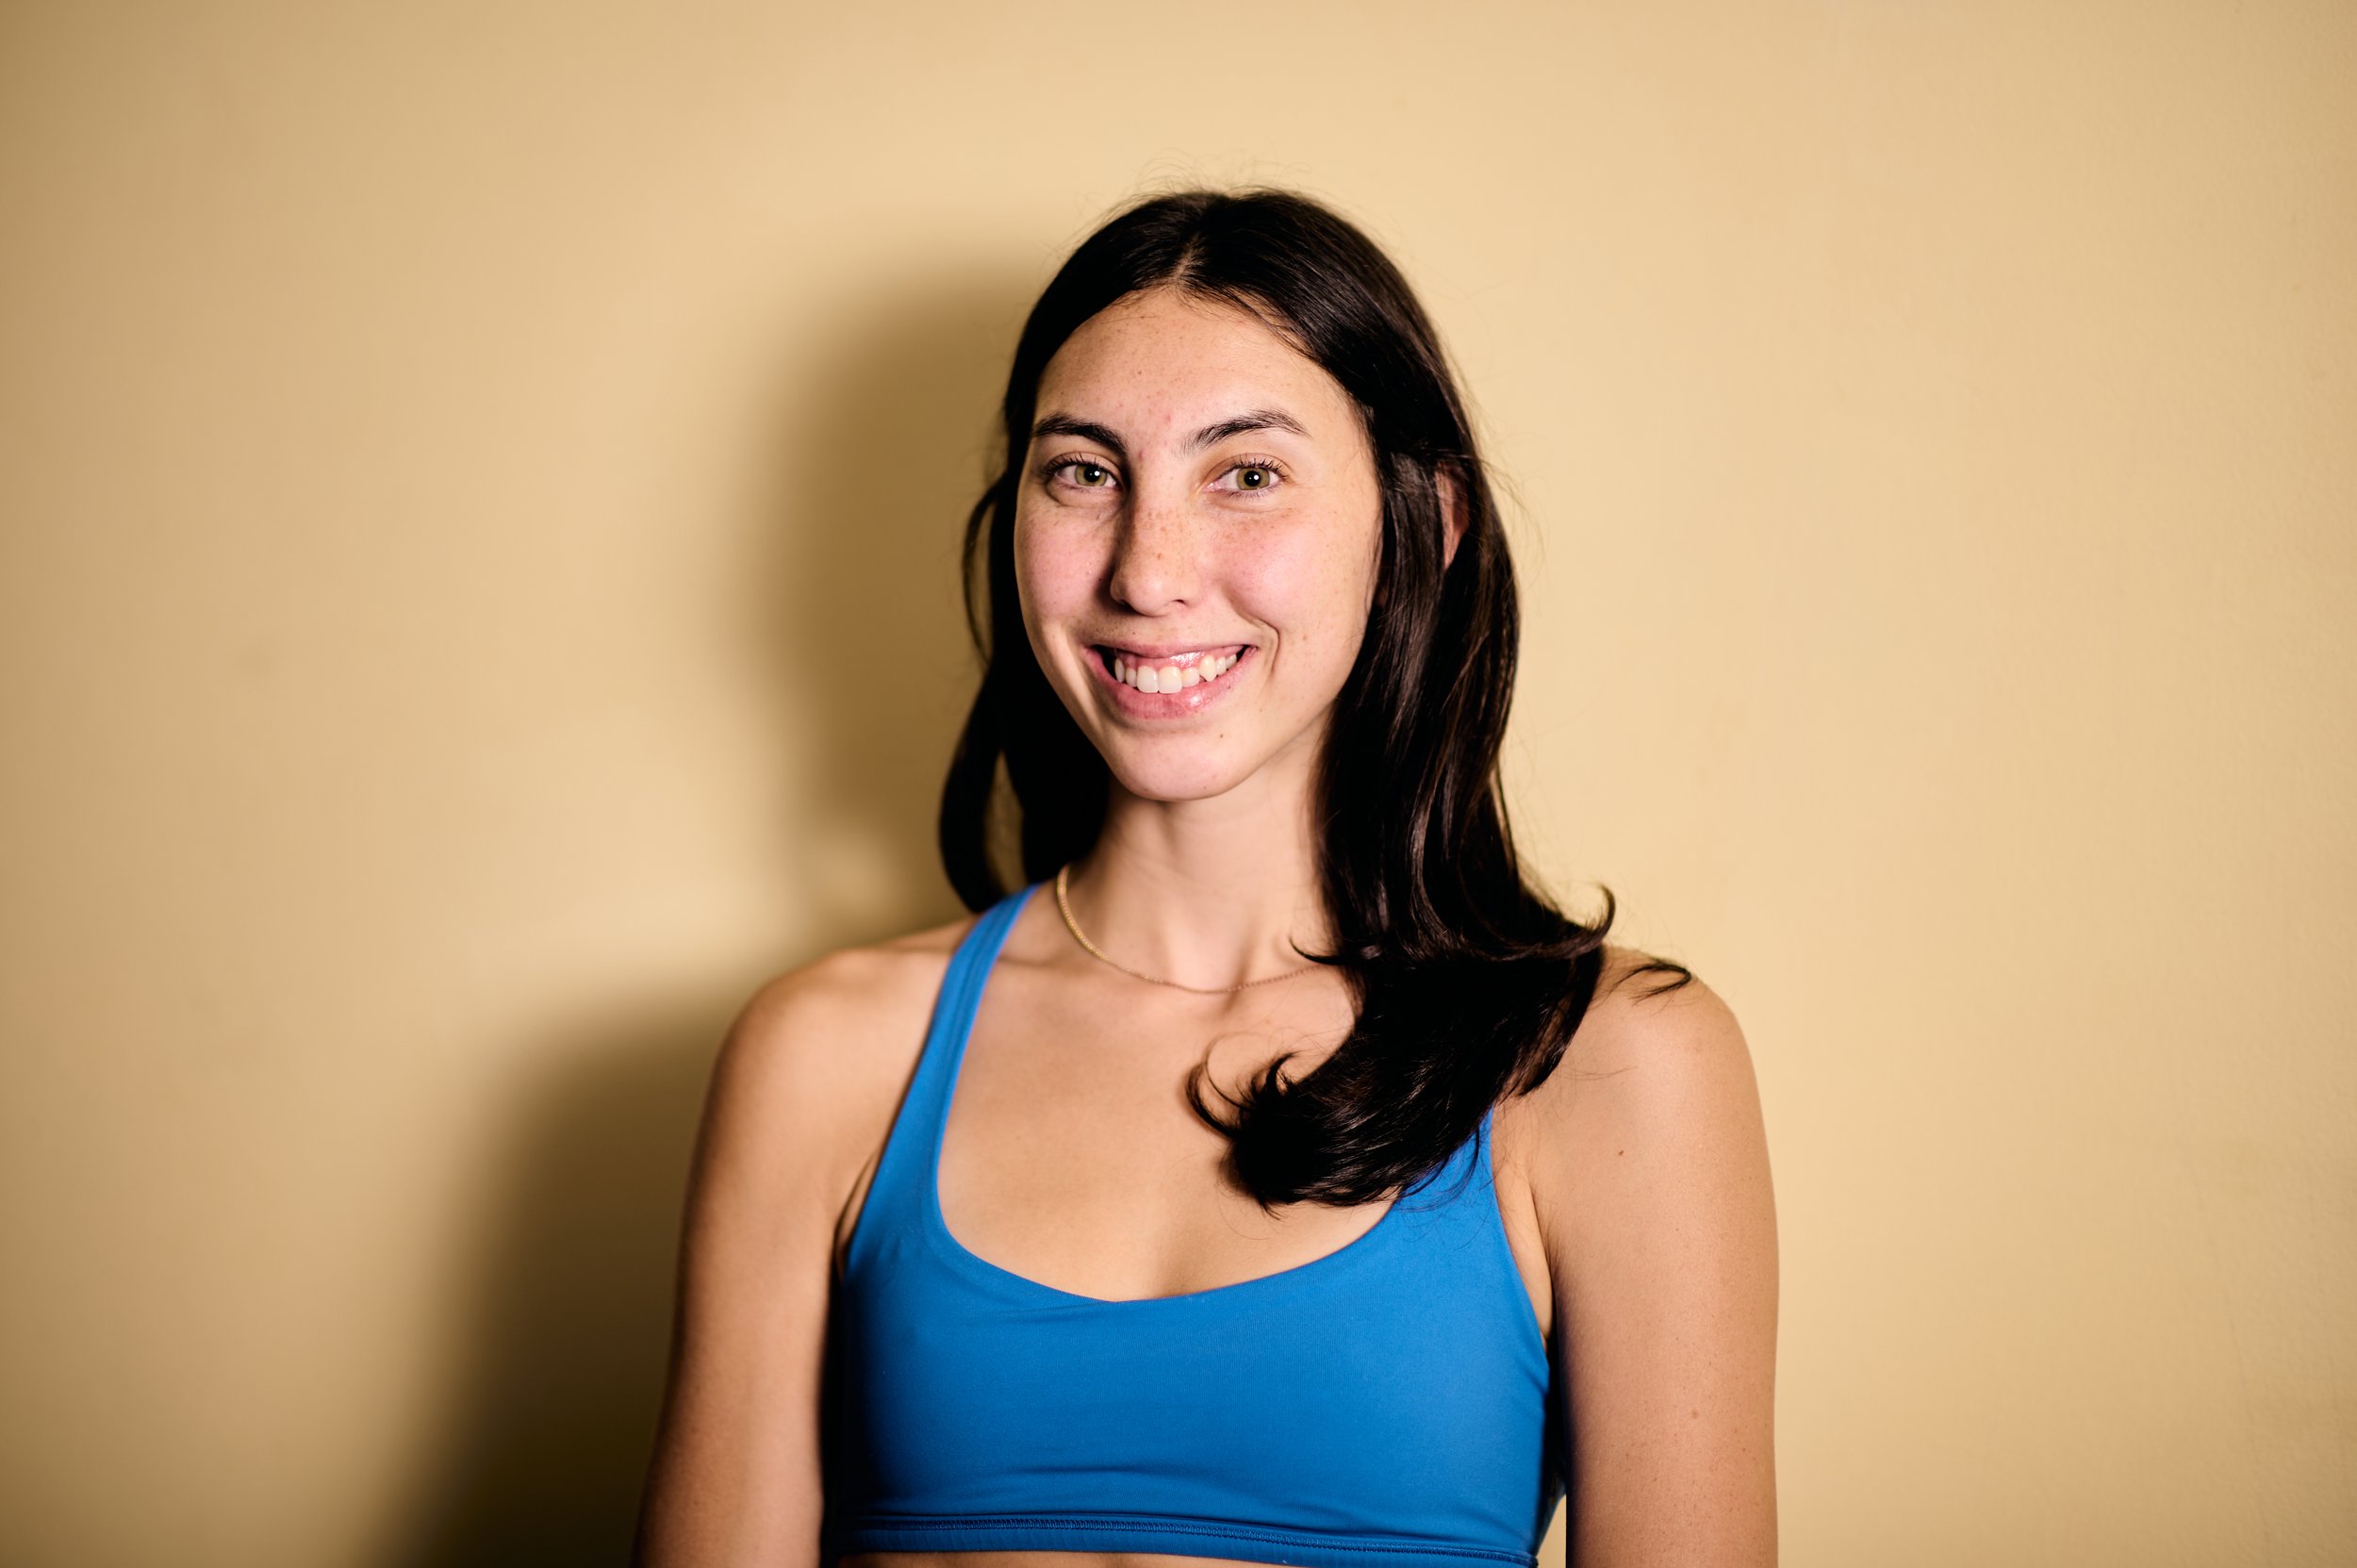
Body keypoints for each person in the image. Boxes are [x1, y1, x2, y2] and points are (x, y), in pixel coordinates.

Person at [634, 189, 1778, 1568]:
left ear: (1427, 518)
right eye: (1085, 472)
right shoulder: (823, 1056)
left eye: (1245, 474)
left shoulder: (1607, 1066)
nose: (1150, 571)